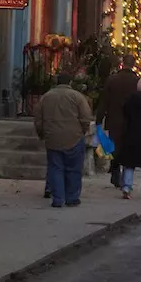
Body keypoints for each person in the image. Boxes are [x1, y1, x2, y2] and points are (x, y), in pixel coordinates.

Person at [33, 80, 93, 208]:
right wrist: (82, 130)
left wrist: (42, 133)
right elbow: (86, 116)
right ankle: (72, 198)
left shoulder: (46, 97)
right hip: (74, 137)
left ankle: (58, 199)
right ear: (70, 82)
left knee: (55, 168)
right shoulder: (77, 97)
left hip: (53, 137)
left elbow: (38, 117)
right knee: (74, 169)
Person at [100, 57, 141, 188]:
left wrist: (99, 118)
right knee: (128, 147)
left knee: (115, 146)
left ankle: (115, 171)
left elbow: (104, 100)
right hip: (131, 120)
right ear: (134, 64)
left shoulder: (112, 80)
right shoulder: (137, 81)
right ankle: (125, 176)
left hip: (114, 119)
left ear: (122, 64)